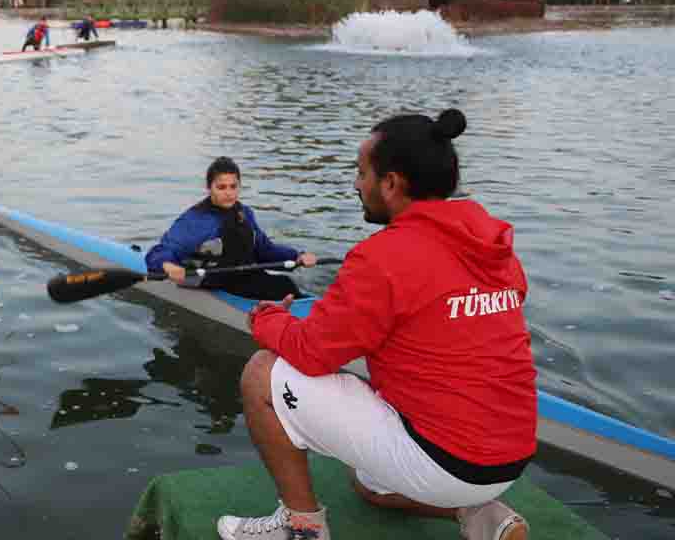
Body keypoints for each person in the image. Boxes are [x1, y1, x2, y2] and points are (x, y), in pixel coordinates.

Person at [216, 109, 536, 540]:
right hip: (510, 458)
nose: (356, 184)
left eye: (361, 172)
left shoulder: (385, 255)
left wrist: (268, 317)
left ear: (391, 183)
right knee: (370, 486)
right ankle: (480, 513)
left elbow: (313, 352)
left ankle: (301, 528)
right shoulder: (493, 242)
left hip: (444, 459)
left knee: (261, 373)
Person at [145, 157, 318, 302]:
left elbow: (265, 251)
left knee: (285, 283)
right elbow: (161, 251)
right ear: (209, 188)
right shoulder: (196, 220)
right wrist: (168, 266)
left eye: (233, 186)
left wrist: (297, 257)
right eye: (221, 187)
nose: (228, 193)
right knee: (281, 287)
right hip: (208, 280)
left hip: (241, 275)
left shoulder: (245, 214)